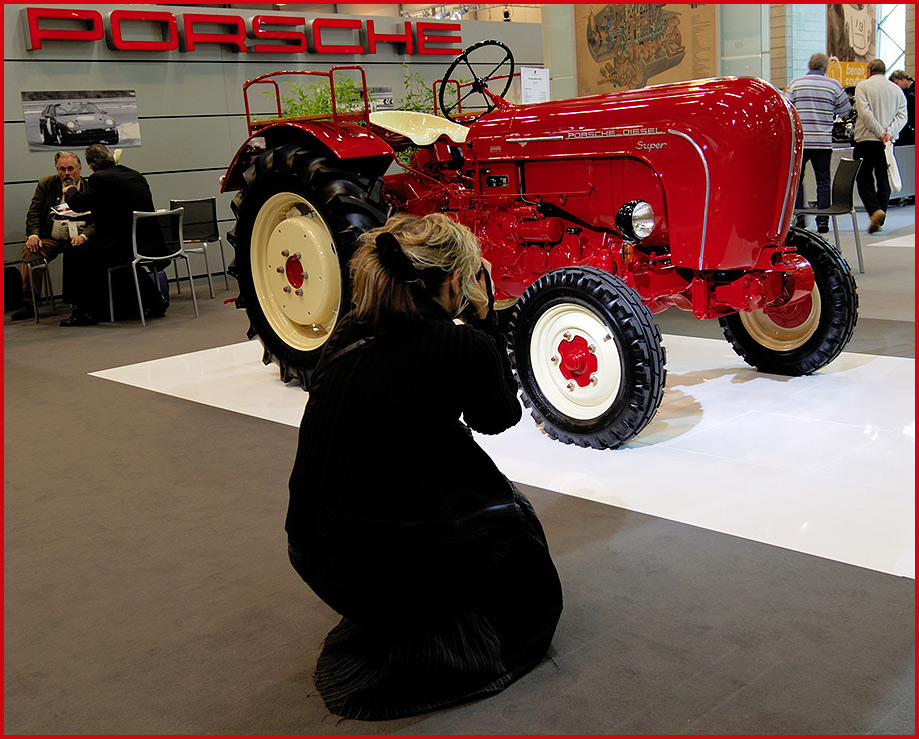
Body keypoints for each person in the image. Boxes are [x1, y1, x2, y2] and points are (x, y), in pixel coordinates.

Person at [286, 213, 563, 721]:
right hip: (381, 566)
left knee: (437, 448)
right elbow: (498, 417)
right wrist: (486, 321)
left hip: (313, 550)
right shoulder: (458, 346)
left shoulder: (348, 330)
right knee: (516, 537)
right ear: (457, 281)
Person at [59, 144, 170, 325]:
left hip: (122, 245)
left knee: (74, 253)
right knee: (122, 260)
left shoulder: (100, 179)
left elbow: (79, 205)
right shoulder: (135, 175)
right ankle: (155, 300)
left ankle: (84, 311)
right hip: (148, 244)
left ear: (90, 165)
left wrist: (70, 189)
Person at [10, 151, 95, 320]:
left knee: (86, 252)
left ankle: (84, 302)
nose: (66, 173)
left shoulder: (90, 186)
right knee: (30, 252)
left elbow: (98, 219)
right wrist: (33, 235)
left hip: (80, 238)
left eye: (70, 168)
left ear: (79, 168)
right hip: (52, 238)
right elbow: (33, 213)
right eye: (62, 169)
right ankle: (29, 303)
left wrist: (85, 236)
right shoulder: (46, 184)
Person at [784, 53, 852, 234]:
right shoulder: (834, 85)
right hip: (822, 142)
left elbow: (786, 107)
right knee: (823, 181)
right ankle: (823, 222)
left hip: (801, 142)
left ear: (809, 65)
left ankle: (799, 219)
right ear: (825, 67)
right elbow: (846, 110)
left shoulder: (796, 84)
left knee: (797, 180)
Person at [853, 59, 908, 233]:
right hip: (886, 143)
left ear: (869, 71)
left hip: (866, 140)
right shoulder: (896, 89)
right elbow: (902, 115)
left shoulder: (863, 86)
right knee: (883, 178)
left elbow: (864, 112)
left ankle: (874, 210)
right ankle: (881, 212)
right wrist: (889, 133)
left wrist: (878, 131)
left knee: (863, 178)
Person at [889, 69, 915, 146]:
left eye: (897, 83)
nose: (896, 87)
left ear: (904, 79)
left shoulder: (912, 94)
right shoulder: (904, 93)